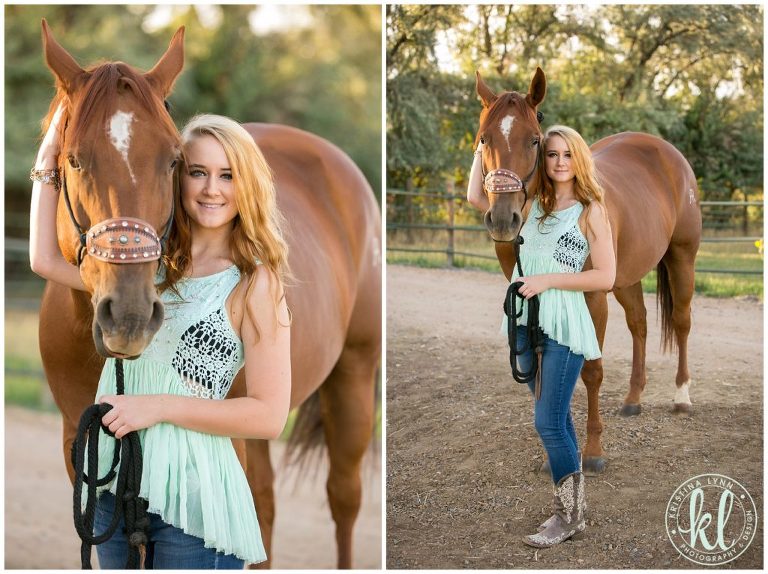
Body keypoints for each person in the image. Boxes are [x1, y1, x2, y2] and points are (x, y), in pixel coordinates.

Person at [30, 110, 292, 568]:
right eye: (198, 172)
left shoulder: (255, 285)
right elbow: (45, 260)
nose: (212, 188)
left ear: (246, 184)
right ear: (177, 177)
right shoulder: (147, 269)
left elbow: (269, 415)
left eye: (227, 175)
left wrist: (155, 407)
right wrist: (50, 156)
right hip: (116, 487)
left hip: (194, 501)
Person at [467, 125, 615, 548]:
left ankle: (566, 515)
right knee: (559, 418)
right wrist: (482, 147)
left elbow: (606, 277)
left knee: (547, 421)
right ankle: (574, 511)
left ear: (579, 159)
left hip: (563, 324)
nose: (560, 162)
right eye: (552, 154)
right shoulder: (533, 205)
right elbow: (477, 197)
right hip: (523, 323)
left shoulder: (591, 210)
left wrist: (547, 279)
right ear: (542, 160)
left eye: (568, 154)